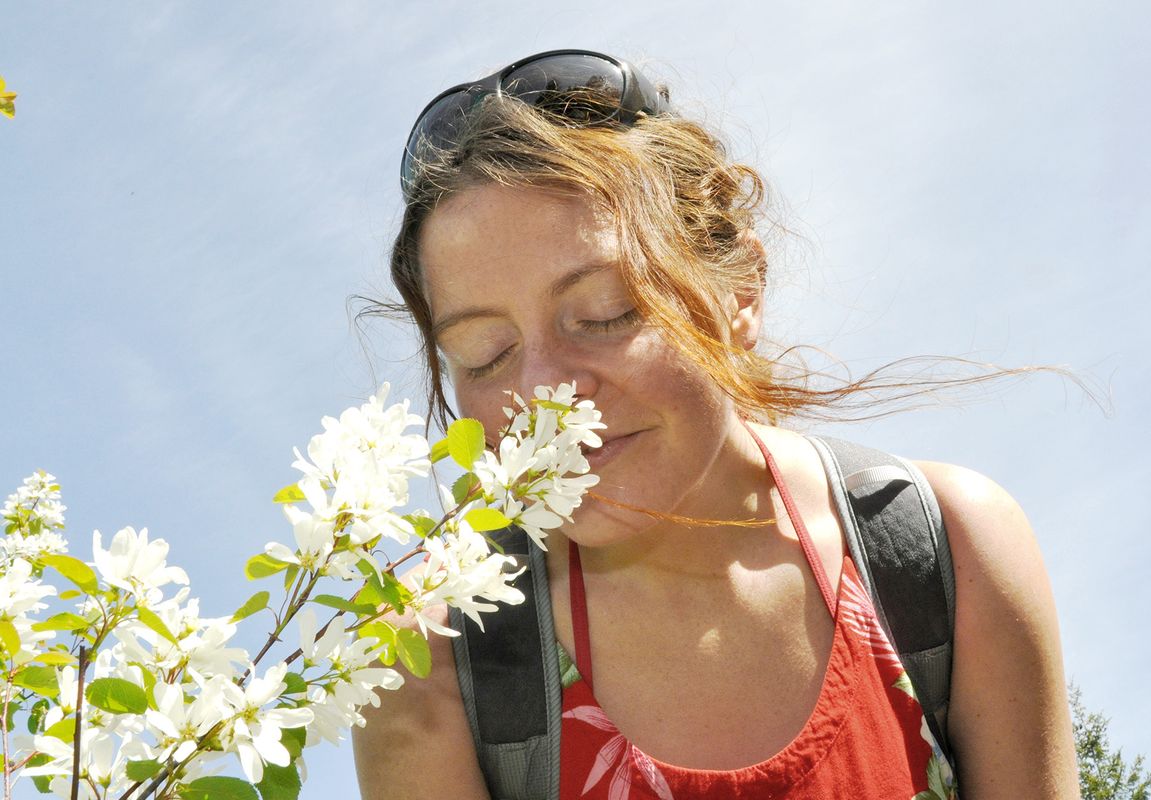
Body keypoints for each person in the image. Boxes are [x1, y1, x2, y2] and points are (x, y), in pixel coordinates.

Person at [352, 49, 1080, 799]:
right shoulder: (424, 663)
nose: (544, 395)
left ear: (740, 293)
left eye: (607, 313)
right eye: (485, 353)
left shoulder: (944, 552)